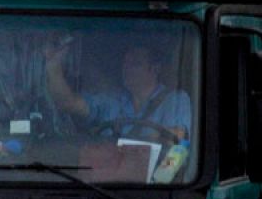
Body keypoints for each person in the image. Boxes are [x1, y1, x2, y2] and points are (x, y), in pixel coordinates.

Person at [45, 41, 192, 141]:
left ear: (155, 69)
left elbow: (178, 138)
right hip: (108, 175)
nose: (126, 68)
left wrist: (142, 142)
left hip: (152, 177)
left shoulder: (175, 99)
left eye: (135, 63)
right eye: (125, 63)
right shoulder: (112, 99)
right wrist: (53, 67)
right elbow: (69, 104)